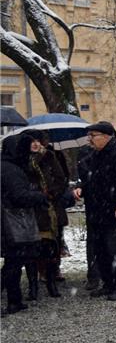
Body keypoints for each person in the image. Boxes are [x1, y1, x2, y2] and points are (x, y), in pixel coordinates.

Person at [74, 122, 116, 301]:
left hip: (115, 210)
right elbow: (91, 180)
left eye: (93, 135)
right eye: (89, 136)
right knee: (100, 250)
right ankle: (108, 283)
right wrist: (81, 189)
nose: (90, 139)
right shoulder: (93, 156)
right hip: (96, 211)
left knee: (115, 249)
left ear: (107, 136)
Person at [1, 133, 47, 315]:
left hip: (7, 219)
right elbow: (19, 196)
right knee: (14, 263)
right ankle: (14, 300)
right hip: (11, 221)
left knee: (13, 262)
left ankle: (15, 300)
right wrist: (39, 196)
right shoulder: (11, 170)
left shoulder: (6, 166)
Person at [24, 129, 70, 299]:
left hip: (50, 207)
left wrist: (51, 193)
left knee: (51, 247)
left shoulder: (50, 156)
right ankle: (33, 285)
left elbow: (61, 179)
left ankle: (51, 282)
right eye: (32, 141)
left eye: (38, 140)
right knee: (31, 248)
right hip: (31, 209)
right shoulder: (22, 159)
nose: (36, 144)